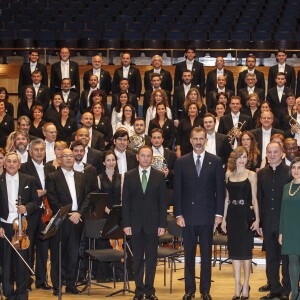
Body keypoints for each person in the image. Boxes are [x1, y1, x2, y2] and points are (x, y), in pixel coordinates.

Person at [174, 127, 224, 300]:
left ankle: (205, 290)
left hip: (207, 216)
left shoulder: (215, 161)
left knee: (206, 256)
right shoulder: (181, 162)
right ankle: (189, 290)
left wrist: (219, 214)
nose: (198, 142)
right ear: (190, 140)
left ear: (206, 140)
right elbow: (177, 191)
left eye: (201, 139)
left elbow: (220, 190)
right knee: (188, 256)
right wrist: (178, 214)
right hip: (186, 217)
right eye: (195, 139)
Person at [122, 145, 167, 300]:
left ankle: (150, 290)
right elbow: (126, 202)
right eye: (143, 155)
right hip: (134, 225)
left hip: (153, 225)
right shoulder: (129, 175)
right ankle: (139, 290)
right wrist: (126, 224)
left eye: (148, 156)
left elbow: (163, 203)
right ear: (137, 157)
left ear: (152, 158)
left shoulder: (159, 176)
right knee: (137, 259)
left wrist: (162, 224)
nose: (145, 158)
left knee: (151, 259)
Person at [46, 148, 91, 295]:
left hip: (77, 219)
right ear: (60, 159)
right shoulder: (53, 177)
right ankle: (57, 285)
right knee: (58, 254)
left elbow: (87, 197)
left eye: (71, 156)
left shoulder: (81, 176)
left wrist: (79, 213)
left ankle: (71, 284)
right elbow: (52, 200)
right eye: (66, 156)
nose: (69, 158)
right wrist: (68, 214)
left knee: (74, 254)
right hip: (61, 220)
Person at [221, 146, 260, 300]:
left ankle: (246, 285)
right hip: (232, 215)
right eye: (240, 157)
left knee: (245, 252)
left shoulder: (251, 175)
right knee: (235, 252)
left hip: (245, 215)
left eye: (245, 157)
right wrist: (223, 219)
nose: (242, 160)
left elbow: (255, 199)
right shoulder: (228, 174)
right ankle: (237, 285)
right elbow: (226, 199)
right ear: (234, 159)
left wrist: (257, 219)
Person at [0, 152, 39, 300]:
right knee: (7, 262)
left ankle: (22, 294)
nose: (11, 164)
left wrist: (26, 208)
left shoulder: (29, 179)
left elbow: (36, 202)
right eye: (8, 161)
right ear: (4, 164)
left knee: (22, 263)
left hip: (21, 228)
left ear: (19, 164)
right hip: (5, 226)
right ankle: (9, 293)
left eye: (14, 161)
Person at [19, 139, 56, 290]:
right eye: (36, 150)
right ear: (30, 151)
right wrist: (35, 193)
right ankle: (26, 281)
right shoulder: (23, 168)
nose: (40, 152)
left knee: (43, 248)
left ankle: (42, 280)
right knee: (28, 248)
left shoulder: (50, 168)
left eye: (42, 149)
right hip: (30, 214)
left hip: (46, 213)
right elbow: (20, 190)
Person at [257, 142, 291, 300]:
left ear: (282, 153)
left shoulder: (290, 172)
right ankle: (274, 289)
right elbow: (260, 199)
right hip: (268, 222)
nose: (272, 155)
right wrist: (260, 223)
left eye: (275, 152)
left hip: (285, 223)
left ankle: (286, 290)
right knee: (271, 258)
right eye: (269, 152)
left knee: (286, 259)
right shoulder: (262, 173)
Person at [279, 157, 300, 300]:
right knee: (292, 261)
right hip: (290, 229)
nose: (296, 170)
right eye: (293, 167)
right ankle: (295, 293)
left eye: (299, 167)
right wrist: (281, 231)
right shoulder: (287, 187)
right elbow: (282, 211)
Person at [98, 150, 122, 215]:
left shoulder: (121, 177)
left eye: (113, 160)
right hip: (104, 212)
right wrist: (108, 210)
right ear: (104, 162)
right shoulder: (99, 178)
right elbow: (98, 199)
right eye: (108, 160)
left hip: (119, 212)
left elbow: (123, 196)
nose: (111, 162)